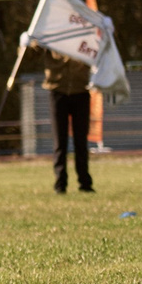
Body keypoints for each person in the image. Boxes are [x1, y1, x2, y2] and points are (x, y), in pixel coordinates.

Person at [42, 40, 95, 195]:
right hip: (58, 92)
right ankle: (60, 184)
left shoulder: (82, 29)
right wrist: (27, 43)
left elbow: (100, 50)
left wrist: (105, 32)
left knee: (81, 141)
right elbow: (29, 56)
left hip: (81, 91)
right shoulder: (50, 30)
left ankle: (85, 183)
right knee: (60, 141)